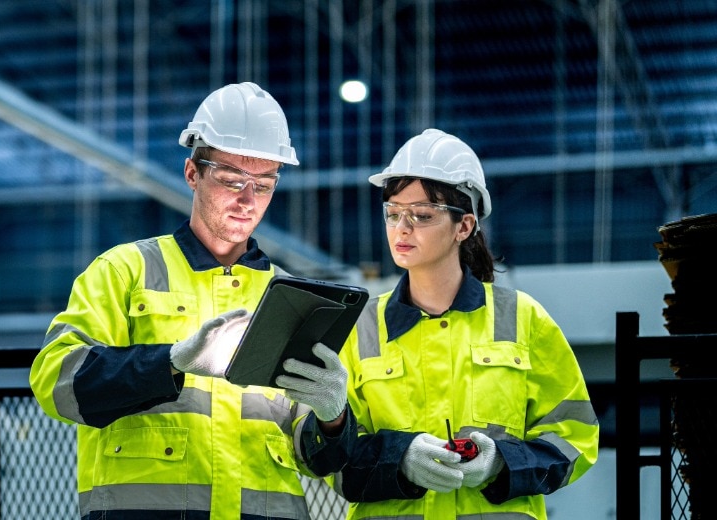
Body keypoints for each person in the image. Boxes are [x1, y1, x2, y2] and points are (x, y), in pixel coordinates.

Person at [30, 82, 356, 519]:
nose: (247, 200)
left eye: (263, 184)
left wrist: (333, 418)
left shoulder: (292, 298)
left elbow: (317, 459)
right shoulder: (126, 270)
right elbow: (57, 382)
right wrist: (168, 362)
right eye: (231, 180)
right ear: (192, 174)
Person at [335, 129, 600, 518]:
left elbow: (576, 438)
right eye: (393, 213)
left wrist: (501, 463)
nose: (402, 228)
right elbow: (333, 461)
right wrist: (400, 460)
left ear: (465, 226)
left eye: (422, 215)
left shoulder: (523, 319)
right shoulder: (361, 328)